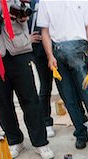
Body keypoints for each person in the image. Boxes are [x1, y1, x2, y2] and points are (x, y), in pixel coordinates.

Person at [0, 0, 54, 159]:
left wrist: (21, 13)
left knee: (30, 98)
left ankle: (40, 142)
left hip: (17, 50)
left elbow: (24, 8)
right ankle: (14, 140)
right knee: (1, 101)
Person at [38, 0, 88, 152]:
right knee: (69, 100)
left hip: (80, 51)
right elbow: (45, 31)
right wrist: (50, 56)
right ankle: (80, 134)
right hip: (58, 52)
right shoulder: (45, 2)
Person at [29, 0, 57, 138]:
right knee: (46, 87)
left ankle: (82, 119)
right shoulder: (31, 3)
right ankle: (46, 122)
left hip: (58, 45)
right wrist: (27, 38)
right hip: (39, 49)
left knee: (66, 87)